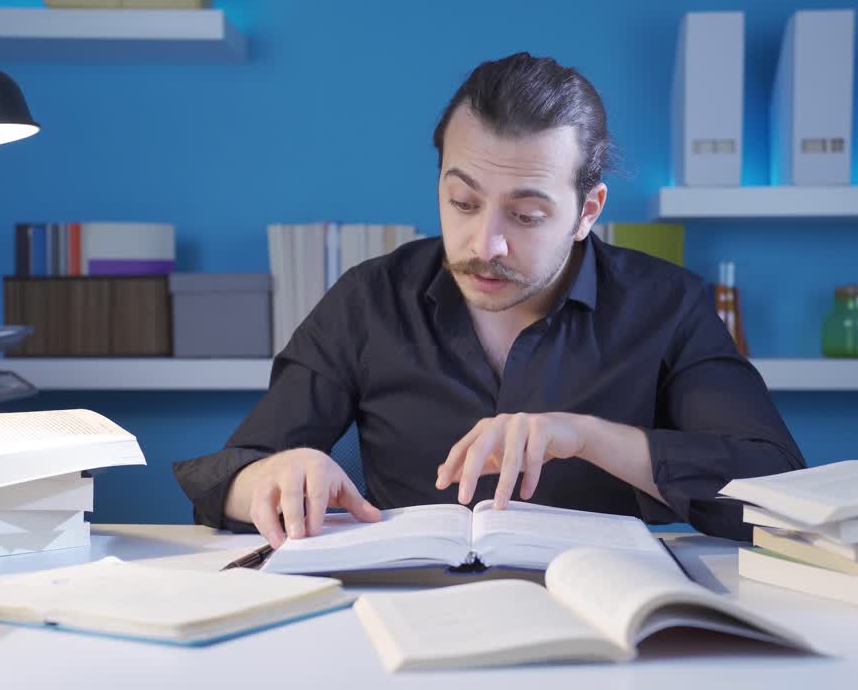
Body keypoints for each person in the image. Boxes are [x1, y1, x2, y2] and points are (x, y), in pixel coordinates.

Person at [173, 52, 805, 549]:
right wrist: (274, 478)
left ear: (588, 211)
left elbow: (777, 486)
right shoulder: (370, 299)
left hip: (612, 625)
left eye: (527, 214)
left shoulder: (668, 304)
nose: (486, 243)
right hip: (401, 620)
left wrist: (583, 435)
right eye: (463, 203)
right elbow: (228, 472)